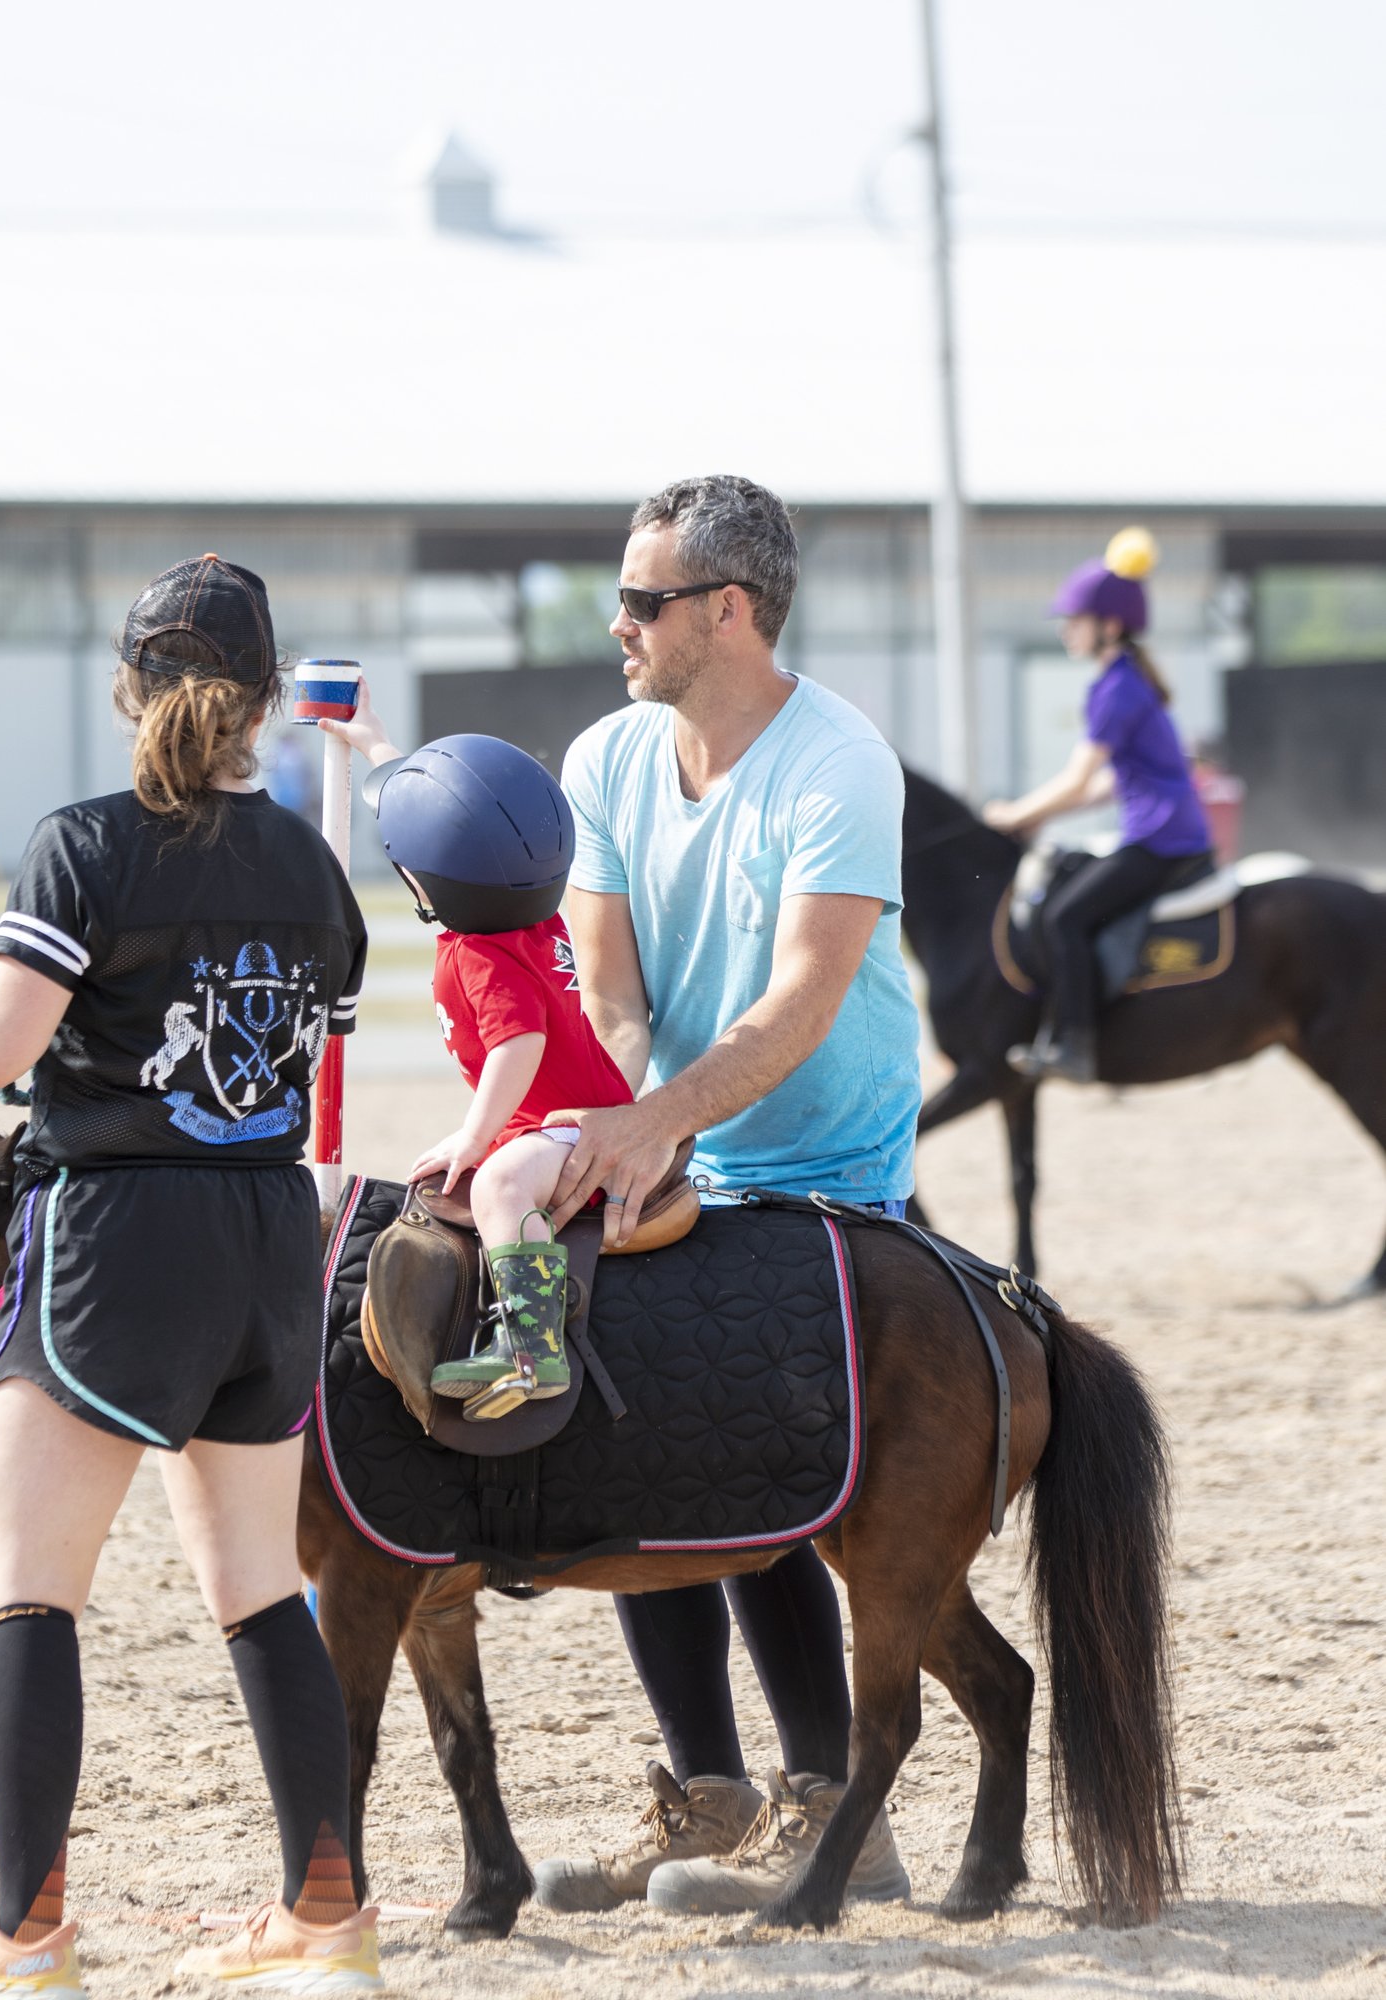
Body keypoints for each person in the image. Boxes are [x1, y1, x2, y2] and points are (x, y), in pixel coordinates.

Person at [0, 555, 382, 1999]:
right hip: (266, 1240)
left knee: (27, 1588)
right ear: (264, 701)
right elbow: (324, 1037)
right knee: (259, 1590)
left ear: (129, 689)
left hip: (119, 1239)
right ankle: (325, 1913)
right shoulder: (314, 867)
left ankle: (25, 1928)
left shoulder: (83, 843)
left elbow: (1, 1049)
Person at [528, 474, 918, 1916]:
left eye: (643, 600)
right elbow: (611, 998)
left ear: (730, 611)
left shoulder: (840, 764)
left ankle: (838, 1818)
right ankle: (708, 1795)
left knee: (748, 1467)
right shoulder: (605, 757)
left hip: (829, 1173)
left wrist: (660, 1124)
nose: (617, 623)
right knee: (623, 1446)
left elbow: (802, 999)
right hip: (680, 1147)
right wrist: (592, 1133)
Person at [310, 718, 634, 1415]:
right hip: (557, 1114)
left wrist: (475, 1137)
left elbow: (521, 1045)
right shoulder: (521, 906)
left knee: (497, 1187)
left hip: (569, 1128)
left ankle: (531, 1347)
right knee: (493, 1174)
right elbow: (448, 810)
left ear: (428, 879)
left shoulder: (485, 955)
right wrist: (375, 743)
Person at [980, 529, 1214, 1084]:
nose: (1066, 628)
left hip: (1160, 840)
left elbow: (1077, 778)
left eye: (1075, 619)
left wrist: (1014, 815)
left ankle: (1075, 1047)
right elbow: (1104, 786)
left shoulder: (1115, 689)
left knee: (1063, 917)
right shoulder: (1127, 680)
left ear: (1109, 625)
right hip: (1162, 832)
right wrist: (1040, 815)